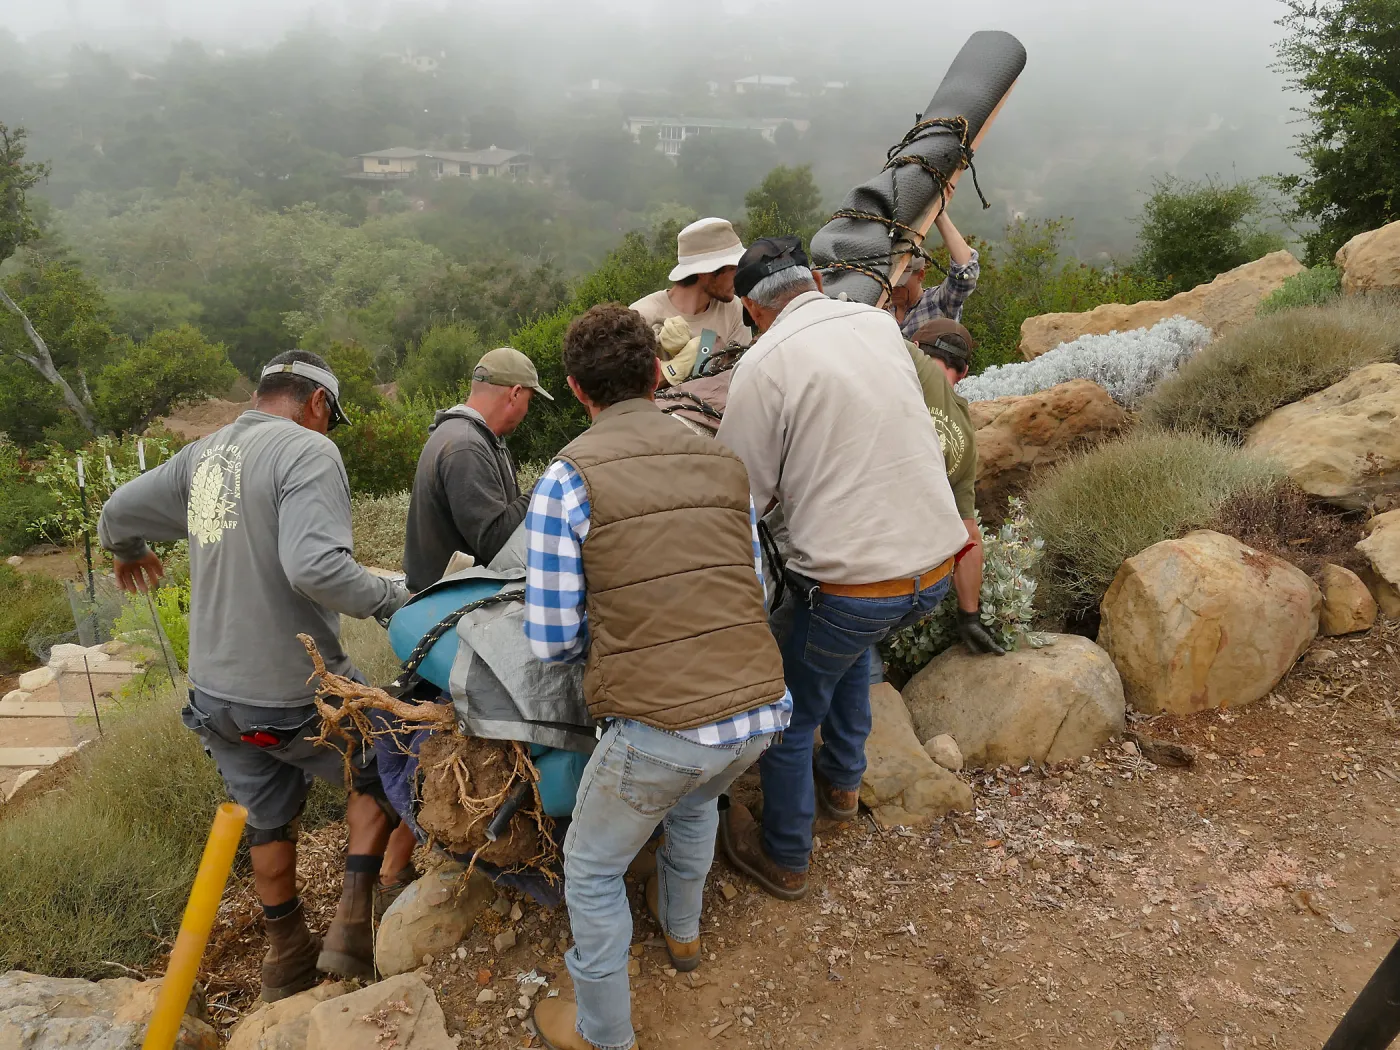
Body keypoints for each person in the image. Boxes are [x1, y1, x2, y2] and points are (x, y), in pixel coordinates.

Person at [98, 350, 410, 1001]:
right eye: (331, 418)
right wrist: (393, 600)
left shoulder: (204, 455)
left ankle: (287, 961)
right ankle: (354, 926)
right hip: (297, 694)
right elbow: (316, 570)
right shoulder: (308, 450)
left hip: (218, 702)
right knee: (387, 761)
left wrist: (128, 552)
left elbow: (117, 512)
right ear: (318, 404)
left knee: (268, 820)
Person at [523, 303, 791, 1050]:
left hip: (660, 727)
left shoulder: (566, 480)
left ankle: (601, 1032)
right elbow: (756, 591)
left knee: (593, 869)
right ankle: (682, 935)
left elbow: (549, 641)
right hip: (760, 713)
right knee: (697, 803)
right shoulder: (720, 460)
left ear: (577, 390)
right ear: (655, 373)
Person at [714, 237, 968, 900]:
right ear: (816, 282)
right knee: (848, 651)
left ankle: (787, 855)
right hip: (934, 569)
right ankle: (844, 789)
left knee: (790, 714)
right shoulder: (879, 327)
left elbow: (740, 492)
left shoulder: (764, 363)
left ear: (752, 307)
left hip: (856, 588)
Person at [402, 347, 553, 593]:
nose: (527, 410)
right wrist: (546, 485)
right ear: (515, 394)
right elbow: (493, 542)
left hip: (446, 605)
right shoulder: (466, 446)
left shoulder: (466, 437)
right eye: (529, 400)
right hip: (447, 611)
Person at [907, 318, 1005, 656]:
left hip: (859, 563)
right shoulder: (966, 433)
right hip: (912, 584)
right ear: (963, 373)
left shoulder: (913, 364)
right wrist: (970, 616)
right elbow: (968, 535)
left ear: (917, 348)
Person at [630, 217, 752, 350]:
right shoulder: (641, 318)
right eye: (733, 269)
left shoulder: (734, 311)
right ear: (705, 272)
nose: (738, 277)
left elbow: (740, 369)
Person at [886, 208, 980, 338]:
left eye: (900, 282)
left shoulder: (938, 303)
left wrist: (939, 213)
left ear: (921, 275)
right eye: (891, 281)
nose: (894, 288)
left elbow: (966, 275)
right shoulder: (881, 311)